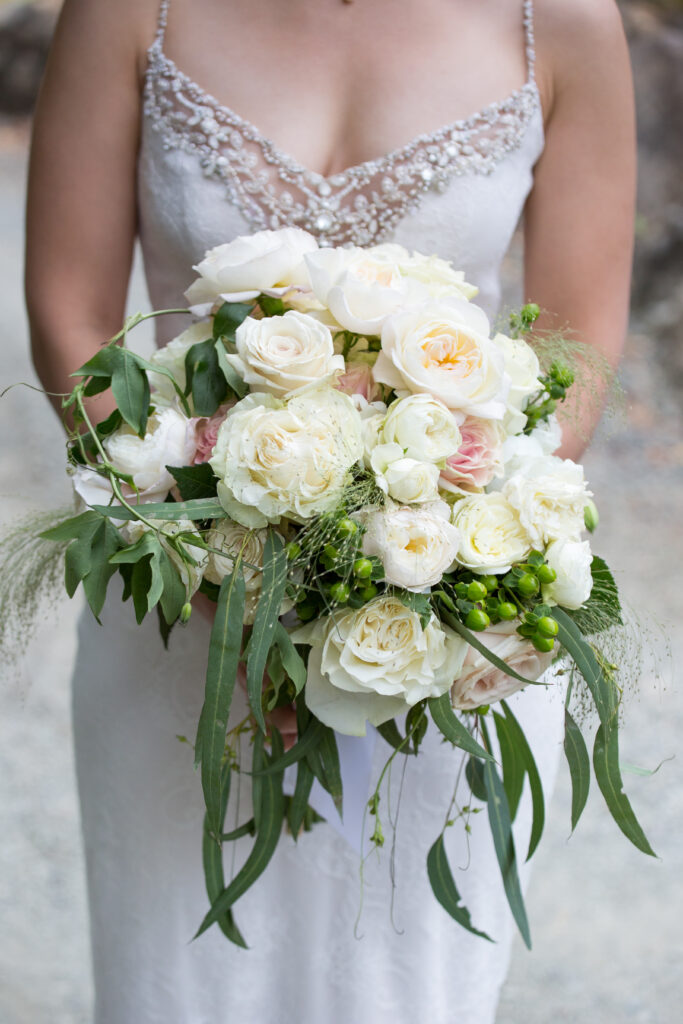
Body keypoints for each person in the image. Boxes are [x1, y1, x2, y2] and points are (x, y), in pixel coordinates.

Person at [24, 1, 635, 1022]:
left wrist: (443, 551)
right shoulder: (134, 9)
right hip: (182, 610)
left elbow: (576, 340)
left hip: (429, 617)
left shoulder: (558, 21)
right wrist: (212, 552)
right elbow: (70, 316)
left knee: (405, 985)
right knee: (182, 978)